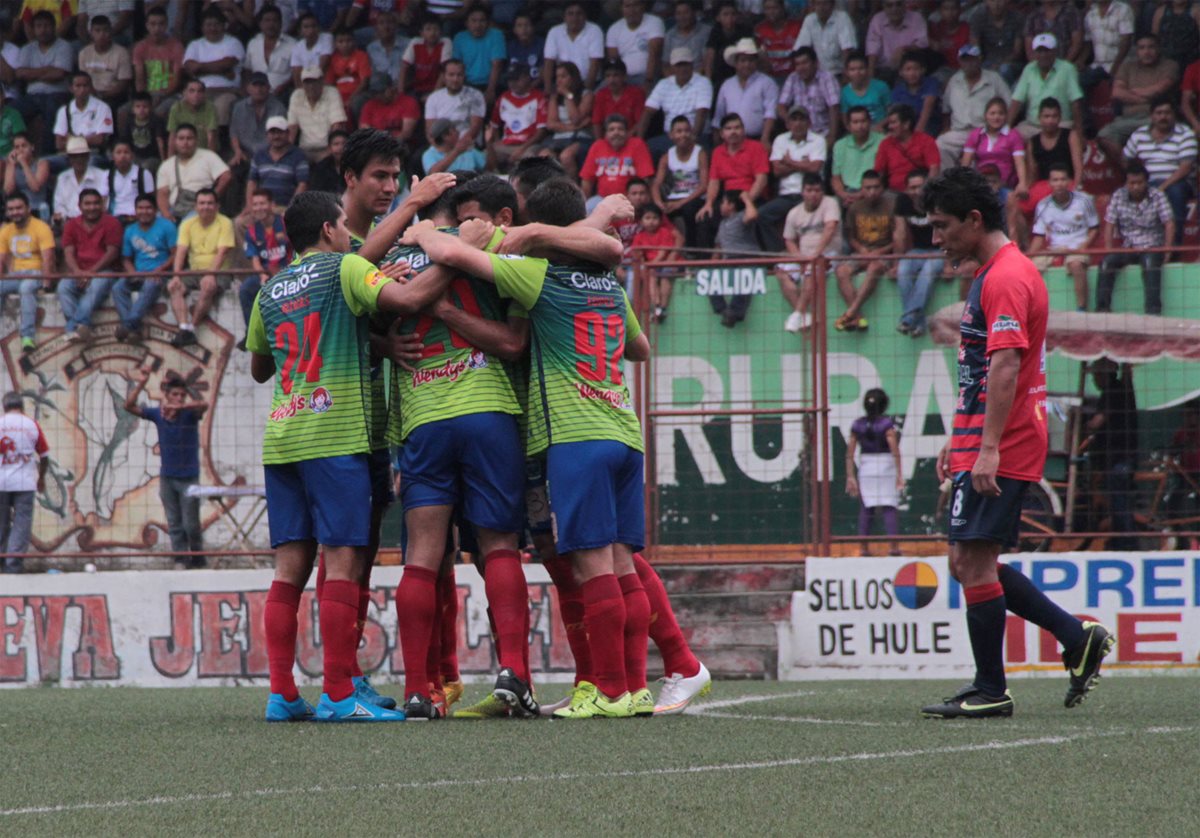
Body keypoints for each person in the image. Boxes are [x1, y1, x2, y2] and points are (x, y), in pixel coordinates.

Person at [400, 179, 652, 720]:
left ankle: (607, 690)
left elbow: (452, 255)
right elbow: (640, 346)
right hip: (622, 428)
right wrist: (600, 215)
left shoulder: (536, 275)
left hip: (570, 433)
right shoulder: (609, 284)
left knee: (589, 565)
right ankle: (633, 686)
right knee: (620, 565)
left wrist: (419, 226)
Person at [246, 190, 459, 723]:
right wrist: (458, 258)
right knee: (342, 560)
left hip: (283, 438)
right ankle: (339, 695)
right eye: (344, 225)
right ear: (327, 229)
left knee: (288, 570)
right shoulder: (345, 268)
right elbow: (408, 301)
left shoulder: (268, 290)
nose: (349, 234)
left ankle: (282, 695)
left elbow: (260, 367)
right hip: (336, 436)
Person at [921, 165, 1113, 719]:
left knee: (973, 562)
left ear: (972, 220)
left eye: (941, 226)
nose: (936, 238)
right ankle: (1075, 636)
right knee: (966, 561)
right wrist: (961, 437)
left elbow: (1006, 365)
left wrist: (987, 448)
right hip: (986, 436)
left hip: (1004, 442)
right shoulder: (994, 273)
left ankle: (991, 690)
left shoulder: (1006, 276)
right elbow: (982, 372)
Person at [123, 370, 208, 570]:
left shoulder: (189, 414)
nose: (179, 398)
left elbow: (203, 405)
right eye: (175, 395)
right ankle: (180, 559)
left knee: (191, 524)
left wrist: (179, 407)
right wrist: (142, 382)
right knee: (174, 522)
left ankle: (198, 557)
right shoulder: (158, 415)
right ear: (167, 395)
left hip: (189, 477)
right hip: (168, 477)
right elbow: (129, 406)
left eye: (182, 395)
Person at [1097, 160, 1173, 316]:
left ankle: (1153, 312)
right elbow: (1109, 224)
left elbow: (1169, 224)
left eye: (1139, 183)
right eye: (1132, 183)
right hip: (1128, 247)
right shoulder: (1118, 195)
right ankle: (1102, 310)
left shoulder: (1157, 195)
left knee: (1150, 265)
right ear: (1126, 183)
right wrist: (1109, 250)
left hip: (1152, 246)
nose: (1136, 186)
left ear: (1146, 182)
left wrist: (1167, 251)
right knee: (1106, 263)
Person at [1123, 96, 1197, 238]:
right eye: (1159, 113)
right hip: (1147, 181)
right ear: (1152, 116)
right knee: (1124, 193)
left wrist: (1162, 187)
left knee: (1176, 191)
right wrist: (1136, 178)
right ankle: (1134, 242)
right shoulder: (1140, 134)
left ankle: (1174, 244)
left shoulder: (1185, 134)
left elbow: (1185, 168)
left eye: (1167, 113)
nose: (1163, 117)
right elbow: (1126, 158)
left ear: (1174, 115)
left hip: (1177, 182)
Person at [169, 188, 234, 347]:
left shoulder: (225, 222)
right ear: (195, 206)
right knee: (173, 286)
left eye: (210, 203)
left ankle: (192, 328)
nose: (206, 207)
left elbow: (222, 252)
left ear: (217, 206)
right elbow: (181, 251)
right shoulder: (187, 223)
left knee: (208, 286)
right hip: (194, 271)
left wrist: (211, 274)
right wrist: (176, 275)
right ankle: (184, 328)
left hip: (219, 271)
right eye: (202, 203)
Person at [1028, 164, 1098, 311]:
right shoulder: (1043, 205)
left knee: (1076, 265)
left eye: (1062, 179)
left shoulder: (1084, 200)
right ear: (1049, 183)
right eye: (1055, 180)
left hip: (1078, 247)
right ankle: (1031, 310)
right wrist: (1028, 257)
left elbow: (1094, 228)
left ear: (1069, 182)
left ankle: (1081, 309)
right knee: (1029, 269)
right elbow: (1039, 236)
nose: (1059, 183)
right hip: (1054, 249)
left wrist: (1083, 247)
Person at [835, 170, 896, 332]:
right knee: (841, 271)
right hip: (861, 252)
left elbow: (898, 239)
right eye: (868, 188)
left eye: (876, 187)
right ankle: (858, 317)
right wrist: (861, 249)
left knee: (874, 268)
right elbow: (851, 237)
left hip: (885, 253)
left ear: (882, 188)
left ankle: (850, 312)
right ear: (861, 188)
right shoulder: (855, 208)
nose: (872, 192)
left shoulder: (891, 206)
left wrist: (880, 252)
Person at [1087, 359, 1139, 551]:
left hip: (1120, 457)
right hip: (1118, 456)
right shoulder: (1119, 390)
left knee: (1119, 501)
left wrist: (1083, 426)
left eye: (1095, 375)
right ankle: (1119, 540)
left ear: (1103, 375)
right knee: (1116, 499)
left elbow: (1097, 422)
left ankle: (1127, 543)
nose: (1094, 380)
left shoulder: (1112, 392)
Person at [778, 172, 839, 333]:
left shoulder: (830, 203)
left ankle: (797, 314)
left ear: (822, 191)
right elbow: (789, 240)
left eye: (817, 190)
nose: (813, 194)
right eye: (809, 190)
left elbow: (830, 228)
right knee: (781, 272)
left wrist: (816, 254)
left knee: (812, 270)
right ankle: (804, 315)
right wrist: (799, 259)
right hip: (804, 257)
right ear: (802, 191)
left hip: (829, 254)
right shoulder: (794, 213)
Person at [846, 388, 903, 557]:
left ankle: (863, 548)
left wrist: (850, 476)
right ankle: (893, 547)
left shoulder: (858, 425)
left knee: (867, 507)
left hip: (866, 466)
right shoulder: (886, 424)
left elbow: (850, 453)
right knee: (889, 506)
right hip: (886, 465)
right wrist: (899, 474)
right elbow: (895, 450)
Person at [759, 105, 824, 253]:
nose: (798, 123)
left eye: (802, 119)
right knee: (762, 215)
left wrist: (789, 162)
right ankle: (778, 254)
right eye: (794, 119)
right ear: (788, 124)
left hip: (809, 195)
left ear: (809, 123)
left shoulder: (818, 140)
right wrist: (803, 164)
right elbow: (777, 171)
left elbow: (815, 168)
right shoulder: (780, 140)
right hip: (786, 195)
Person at [59, 188, 121, 341]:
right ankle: (82, 327)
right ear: (79, 206)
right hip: (79, 271)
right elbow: (68, 252)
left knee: (96, 286)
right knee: (63, 287)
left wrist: (91, 272)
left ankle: (73, 327)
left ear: (102, 205)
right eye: (87, 204)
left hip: (105, 270)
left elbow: (112, 253)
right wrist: (77, 271)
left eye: (96, 203)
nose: (92, 207)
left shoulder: (112, 223)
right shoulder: (71, 225)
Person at [1100, 34, 1180, 147]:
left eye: (1151, 47)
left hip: (1155, 118)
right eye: (1142, 48)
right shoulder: (1127, 66)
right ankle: (1125, 159)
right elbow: (1117, 92)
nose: (1146, 52)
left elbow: (1159, 89)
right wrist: (1148, 100)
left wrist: (1129, 91)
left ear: (1158, 48)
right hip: (1127, 118)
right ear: (1136, 51)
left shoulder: (1170, 65)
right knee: (1104, 135)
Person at [0, 392, 49, 574]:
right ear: (21, 406)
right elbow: (44, 455)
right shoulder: (31, 425)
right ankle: (12, 566)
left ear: (4, 406)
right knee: (22, 524)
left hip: (1, 483)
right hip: (24, 483)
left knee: (1, 523)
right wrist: (41, 478)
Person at [114, 193, 174, 341]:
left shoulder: (167, 226)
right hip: (139, 273)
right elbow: (126, 259)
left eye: (148, 208)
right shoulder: (130, 230)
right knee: (118, 287)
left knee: (151, 284)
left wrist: (160, 270)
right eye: (140, 208)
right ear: (135, 210)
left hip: (161, 274)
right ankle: (133, 329)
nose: (144, 211)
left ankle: (127, 326)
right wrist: (132, 273)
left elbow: (176, 255)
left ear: (155, 210)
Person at [0, 191, 54, 353]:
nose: (15, 212)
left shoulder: (41, 227)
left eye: (19, 208)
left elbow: (48, 259)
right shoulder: (6, 230)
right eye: (11, 209)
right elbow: (1, 259)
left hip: (36, 272)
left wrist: (46, 284)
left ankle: (27, 337)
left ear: (28, 208)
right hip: (16, 274)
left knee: (26, 288)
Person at [238, 189, 292, 347]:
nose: (258, 208)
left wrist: (284, 272)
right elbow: (254, 258)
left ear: (272, 205)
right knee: (246, 289)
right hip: (266, 274)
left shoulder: (286, 223)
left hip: (289, 272)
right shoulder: (251, 231)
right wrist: (262, 274)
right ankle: (251, 332)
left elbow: (298, 250)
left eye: (262, 203)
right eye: (255, 204)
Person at [13, 11, 73, 155]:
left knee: (52, 110)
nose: (43, 30)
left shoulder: (64, 46)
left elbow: (59, 74)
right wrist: (48, 70)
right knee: (11, 111)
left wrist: (32, 74)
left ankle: (47, 156)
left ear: (54, 27)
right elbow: (20, 73)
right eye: (39, 26)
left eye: (46, 26)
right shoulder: (28, 48)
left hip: (57, 94)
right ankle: (17, 152)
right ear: (33, 29)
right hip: (32, 96)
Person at [893, 169, 943, 337]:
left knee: (928, 272)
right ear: (906, 189)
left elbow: (949, 232)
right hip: (917, 250)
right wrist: (896, 262)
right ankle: (917, 322)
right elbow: (899, 233)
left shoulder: (938, 200)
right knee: (903, 270)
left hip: (940, 249)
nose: (917, 191)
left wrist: (950, 263)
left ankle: (908, 319)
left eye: (920, 187)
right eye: (912, 188)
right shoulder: (902, 201)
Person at [640, 47, 712, 159]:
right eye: (679, 65)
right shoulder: (664, 84)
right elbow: (648, 111)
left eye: (686, 64)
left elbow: (701, 113)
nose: (683, 68)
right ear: (672, 67)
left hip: (697, 135)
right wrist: (639, 140)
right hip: (670, 137)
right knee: (648, 147)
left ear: (692, 65)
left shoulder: (703, 82)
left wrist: (692, 139)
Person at [1008, 33, 1085, 138]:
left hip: (1060, 125)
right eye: (1039, 51)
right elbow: (1017, 101)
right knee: (1012, 137)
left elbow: (1075, 102)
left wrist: (1079, 132)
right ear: (1035, 53)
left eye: (1047, 51)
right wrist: (1006, 129)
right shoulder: (1029, 69)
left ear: (1055, 51)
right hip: (1032, 126)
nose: (1043, 55)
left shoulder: (1068, 69)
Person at [651, 114, 707, 250]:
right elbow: (656, 184)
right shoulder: (666, 156)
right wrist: (659, 203)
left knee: (689, 210)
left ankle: (692, 250)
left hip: (695, 198)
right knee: (654, 212)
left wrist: (680, 203)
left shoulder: (700, 153)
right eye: (679, 131)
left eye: (686, 131)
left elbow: (704, 185)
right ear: (671, 135)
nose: (683, 135)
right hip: (674, 198)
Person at [155, 124, 231, 224]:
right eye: (181, 138)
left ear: (196, 140)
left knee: (188, 222)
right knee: (158, 221)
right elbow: (162, 193)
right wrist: (166, 214)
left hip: (200, 207)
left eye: (189, 138)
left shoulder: (208, 156)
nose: (185, 142)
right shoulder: (166, 165)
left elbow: (226, 176)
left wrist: (213, 197)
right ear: (175, 141)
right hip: (175, 208)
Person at [183, 9, 245, 128]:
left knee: (221, 108)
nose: (212, 28)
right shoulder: (195, 45)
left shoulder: (233, 42)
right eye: (208, 25)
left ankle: (218, 139)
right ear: (202, 27)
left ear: (224, 26)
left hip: (227, 91)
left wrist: (200, 68)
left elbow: (227, 63)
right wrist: (222, 72)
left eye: (216, 24)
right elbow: (190, 67)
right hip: (199, 92)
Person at [713, 38, 778, 142]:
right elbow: (719, 117)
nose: (747, 64)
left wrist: (765, 138)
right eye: (743, 60)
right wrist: (717, 142)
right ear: (736, 63)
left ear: (756, 62)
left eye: (750, 60)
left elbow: (770, 113)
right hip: (731, 140)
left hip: (758, 139)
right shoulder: (727, 85)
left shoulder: (767, 83)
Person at [961, 96, 1026, 200]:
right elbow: (966, 163)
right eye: (992, 113)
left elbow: (1019, 162)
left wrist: (1022, 183)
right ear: (985, 115)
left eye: (1000, 113)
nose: (996, 117)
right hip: (981, 183)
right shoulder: (976, 134)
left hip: (1005, 184)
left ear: (1006, 116)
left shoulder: (1013, 135)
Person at [580, 114, 654, 206]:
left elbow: (645, 178)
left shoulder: (637, 145)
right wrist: (584, 202)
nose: (616, 133)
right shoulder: (598, 146)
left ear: (627, 132)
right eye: (611, 129)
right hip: (602, 199)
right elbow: (587, 179)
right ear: (605, 134)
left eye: (620, 129)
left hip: (629, 200)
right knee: (589, 208)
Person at [486, 63, 546, 172]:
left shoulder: (539, 97)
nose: (512, 83)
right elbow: (494, 125)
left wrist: (521, 149)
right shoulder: (504, 97)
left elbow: (541, 132)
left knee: (532, 160)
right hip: (506, 144)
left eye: (516, 79)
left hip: (529, 145)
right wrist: (497, 140)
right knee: (484, 156)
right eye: (510, 80)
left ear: (527, 77)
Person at [775, 47, 839, 146]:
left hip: (822, 134)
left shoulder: (827, 78)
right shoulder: (793, 78)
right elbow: (781, 106)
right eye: (798, 64)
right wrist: (791, 123)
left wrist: (832, 136)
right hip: (798, 136)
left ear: (815, 63)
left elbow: (834, 108)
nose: (801, 68)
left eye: (805, 63)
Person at [131, 5, 184, 119]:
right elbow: (139, 78)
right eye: (153, 24)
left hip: (170, 94)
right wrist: (144, 100)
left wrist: (161, 96)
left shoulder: (176, 46)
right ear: (147, 26)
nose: (157, 28)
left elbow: (177, 79)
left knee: (158, 113)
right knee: (123, 112)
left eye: (161, 24)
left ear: (166, 25)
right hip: (148, 94)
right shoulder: (140, 47)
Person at [633, 202, 683, 323]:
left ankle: (663, 307)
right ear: (641, 221)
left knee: (665, 276)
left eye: (655, 218)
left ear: (660, 220)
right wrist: (644, 264)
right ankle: (656, 306)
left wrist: (648, 266)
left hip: (670, 263)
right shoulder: (639, 236)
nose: (651, 221)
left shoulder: (664, 232)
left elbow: (662, 254)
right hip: (653, 267)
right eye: (647, 218)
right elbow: (638, 254)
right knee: (651, 277)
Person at [288, 67, 350, 162]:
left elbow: (337, 127)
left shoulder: (332, 93)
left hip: (327, 150)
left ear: (322, 81)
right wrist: (288, 152)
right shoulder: (297, 95)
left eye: (314, 82)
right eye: (307, 83)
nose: (311, 86)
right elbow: (292, 129)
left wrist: (330, 151)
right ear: (302, 84)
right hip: (303, 150)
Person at [874, 103, 940, 193]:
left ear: (906, 124)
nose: (889, 126)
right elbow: (879, 173)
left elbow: (934, 170)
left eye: (893, 123)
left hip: (920, 192)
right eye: (889, 123)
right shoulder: (885, 144)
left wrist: (925, 191)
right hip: (894, 193)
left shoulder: (926, 141)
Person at [247, 116, 310, 209]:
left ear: (288, 133)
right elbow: (252, 182)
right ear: (267, 135)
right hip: (262, 207)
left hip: (286, 207)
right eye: (272, 132)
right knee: (238, 219)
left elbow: (303, 184)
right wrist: (250, 206)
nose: (276, 136)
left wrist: (291, 209)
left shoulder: (298, 156)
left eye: (280, 132)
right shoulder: (259, 155)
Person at [543, 1, 604, 94]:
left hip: (589, 84)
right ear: (564, 17)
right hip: (562, 84)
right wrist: (548, 89)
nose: (575, 18)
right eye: (570, 14)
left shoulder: (594, 30)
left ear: (585, 16)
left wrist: (585, 91)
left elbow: (595, 64)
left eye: (579, 13)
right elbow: (549, 62)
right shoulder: (554, 32)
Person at [423, 59, 486, 147]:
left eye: (459, 75)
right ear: (444, 76)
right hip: (441, 147)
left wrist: (455, 150)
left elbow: (475, 128)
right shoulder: (433, 98)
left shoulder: (476, 95)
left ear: (464, 76)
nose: (455, 79)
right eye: (451, 75)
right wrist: (439, 148)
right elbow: (430, 129)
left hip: (468, 146)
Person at [452, 3, 506, 105]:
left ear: (488, 23)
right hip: (467, 84)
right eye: (474, 21)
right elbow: (457, 65)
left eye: (482, 21)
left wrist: (490, 90)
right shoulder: (459, 38)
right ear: (466, 23)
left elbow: (497, 65)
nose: (478, 25)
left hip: (491, 84)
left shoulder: (496, 35)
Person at [865, 0, 929, 84]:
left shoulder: (916, 18)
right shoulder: (877, 19)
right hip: (883, 69)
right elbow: (872, 48)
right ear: (883, 7)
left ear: (905, 5)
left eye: (898, 4)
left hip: (909, 70)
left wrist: (904, 49)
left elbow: (923, 42)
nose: (894, 9)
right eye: (889, 5)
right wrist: (871, 75)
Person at [832, 105, 884, 207]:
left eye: (863, 121)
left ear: (870, 122)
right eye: (855, 122)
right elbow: (836, 177)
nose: (860, 126)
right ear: (848, 126)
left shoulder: (882, 141)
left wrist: (861, 194)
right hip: (846, 192)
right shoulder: (840, 145)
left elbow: (882, 174)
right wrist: (844, 195)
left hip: (872, 190)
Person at [605, 0, 664, 90]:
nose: (632, 10)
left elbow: (654, 55)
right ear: (621, 8)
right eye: (627, 6)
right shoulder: (614, 28)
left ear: (643, 6)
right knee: (596, 94)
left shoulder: (654, 22)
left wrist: (648, 80)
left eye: (635, 5)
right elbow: (614, 61)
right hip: (621, 78)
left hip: (645, 76)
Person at [53, 72, 114, 156]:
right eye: (78, 86)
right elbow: (59, 144)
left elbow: (99, 140)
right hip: (69, 154)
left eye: (85, 86)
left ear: (91, 87)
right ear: (71, 88)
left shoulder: (103, 108)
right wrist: (89, 139)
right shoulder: (64, 110)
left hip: (93, 153)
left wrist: (71, 140)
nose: (82, 89)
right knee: (44, 161)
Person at [792, 0, 856, 79]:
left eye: (825, 3)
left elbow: (847, 49)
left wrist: (846, 75)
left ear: (832, 5)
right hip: (816, 75)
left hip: (838, 73)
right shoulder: (809, 20)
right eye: (818, 4)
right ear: (813, 5)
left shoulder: (842, 18)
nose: (821, 7)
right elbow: (801, 49)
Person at [244, 4, 295, 100]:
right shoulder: (253, 43)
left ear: (281, 23)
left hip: (283, 94)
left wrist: (282, 87)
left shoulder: (292, 44)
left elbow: (296, 73)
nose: (271, 24)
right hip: (256, 94)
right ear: (260, 23)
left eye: (275, 20)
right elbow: (248, 70)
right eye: (267, 20)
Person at [53, 136, 109, 223]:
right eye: (74, 157)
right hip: (69, 222)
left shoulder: (102, 175)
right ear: (69, 159)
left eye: (82, 156)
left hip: (95, 222)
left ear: (88, 156)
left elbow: (104, 204)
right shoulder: (63, 178)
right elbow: (59, 205)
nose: (79, 160)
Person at [358, 73, 419, 149]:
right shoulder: (370, 105)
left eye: (382, 92)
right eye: (375, 93)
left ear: (391, 88)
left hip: (400, 145)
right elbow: (365, 131)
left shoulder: (408, 102)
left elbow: (406, 133)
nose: (378, 96)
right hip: (375, 146)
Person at [969, 0, 1024, 85]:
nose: (996, 4)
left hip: (1012, 63)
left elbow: (1017, 51)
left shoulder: (1017, 18)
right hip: (987, 62)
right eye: (992, 0)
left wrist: (999, 65)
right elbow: (975, 48)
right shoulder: (978, 17)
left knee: (1004, 69)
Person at [399, 15, 452, 101]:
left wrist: (433, 95)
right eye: (428, 29)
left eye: (436, 29)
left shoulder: (445, 42)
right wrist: (401, 94)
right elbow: (404, 68)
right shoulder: (415, 43)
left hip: (438, 88)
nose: (432, 33)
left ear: (441, 32)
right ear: (421, 33)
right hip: (416, 88)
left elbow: (444, 70)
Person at [591, 59, 645, 141]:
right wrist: (600, 143)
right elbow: (597, 123)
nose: (611, 80)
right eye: (608, 76)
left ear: (624, 77)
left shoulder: (636, 93)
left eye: (616, 75)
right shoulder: (601, 94)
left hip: (630, 139)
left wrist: (623, 138)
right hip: (608, 140)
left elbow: (640, 122)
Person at [4, 133, 51, 220]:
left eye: (24, 146)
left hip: (38, 208)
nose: (20, 150)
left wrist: (23, 163)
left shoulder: (42, 163)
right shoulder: (11, 165)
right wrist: (12, 165)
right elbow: (8, 191)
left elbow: (35, 187)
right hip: (18, 210)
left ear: (32, 147)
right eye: (17, 147)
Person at [840, 51, 891, 131]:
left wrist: (879, 126)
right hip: (857, 132)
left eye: (861, 68)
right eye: (852, 69)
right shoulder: (844, 92)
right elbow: (845, 120)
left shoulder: (881, 86)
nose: (857, 72)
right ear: (847, 72)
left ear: (867, 69)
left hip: (881, 130)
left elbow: (891, 112)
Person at [107, 140, 154, 223]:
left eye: (126, 152)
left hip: (137, 218)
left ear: (132, 155)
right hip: (115, 217)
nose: (122, 156)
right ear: (112, 156)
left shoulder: (143, 174)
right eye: (118, 152)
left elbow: (150, 199)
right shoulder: (107, 175)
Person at [117, 92, 167, 171]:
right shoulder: (130, 121)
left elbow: (160, 142)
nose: (141, 110)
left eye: (145, 107)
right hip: (136, 156)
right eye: (138, 106)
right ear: (133, 109)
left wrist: (164, 162)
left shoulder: (156, 121)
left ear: (151, 107)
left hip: (152, 157)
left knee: (144, 168)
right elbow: (125, 140)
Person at [327, 27, 372, 114]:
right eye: (341, 42)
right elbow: (330, 84)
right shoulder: (332, 59)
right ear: (335, 44)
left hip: (357, 94)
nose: (345, 45)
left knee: (356, 103)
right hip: (338, 95)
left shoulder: (361, 56)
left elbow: (365, 81)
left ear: (354, 42)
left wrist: (351, 98)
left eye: (348, 41)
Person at [167, 80, 219, 154]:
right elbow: (172, 137)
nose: (196, 95)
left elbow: (211, 137)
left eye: (199, 91)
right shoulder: (176, 108)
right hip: (183, 153)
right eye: (192, 91)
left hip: (203, 152)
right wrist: (170, 159)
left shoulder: (210, 108)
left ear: (204, 94)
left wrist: (210, 158)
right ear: (184, 93)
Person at [754, 0, 800, 83]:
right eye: (767, 8)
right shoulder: (760, 29)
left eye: (775, 8)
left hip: (795, 76)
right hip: (770, 78)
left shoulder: (797, 27)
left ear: (783, 8)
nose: (771, 12)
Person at [663, 0, 711, 73]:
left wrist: (694, 78)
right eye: (678, 13)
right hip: (675, 77)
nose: (682, 17)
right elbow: (666, 65)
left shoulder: (707, 32)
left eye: (686, 12)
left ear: (694, 13)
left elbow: (707, 62)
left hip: (700, 76)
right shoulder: (669, 35)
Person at [307, 130, 348, 194]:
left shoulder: (356, 166)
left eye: (344, 144)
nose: (340, 147)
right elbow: (315, 192)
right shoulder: (321, 167)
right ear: (329, 148)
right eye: (336, 144)